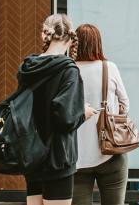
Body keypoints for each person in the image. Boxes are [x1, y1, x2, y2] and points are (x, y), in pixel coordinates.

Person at [22, 14, 96, 205]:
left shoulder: (28, 67)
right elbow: (64, 119)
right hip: (58, 157)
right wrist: (83, 114)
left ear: (44, 35)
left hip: (32, 155)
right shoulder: (67, 70)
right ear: (70, 38)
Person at [72, 24, 131, 205]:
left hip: (77, 157)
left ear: (75, 44)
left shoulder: (69, 70)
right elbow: (125, 105)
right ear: (98, 43)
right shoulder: (109, 68)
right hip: (111, 150)